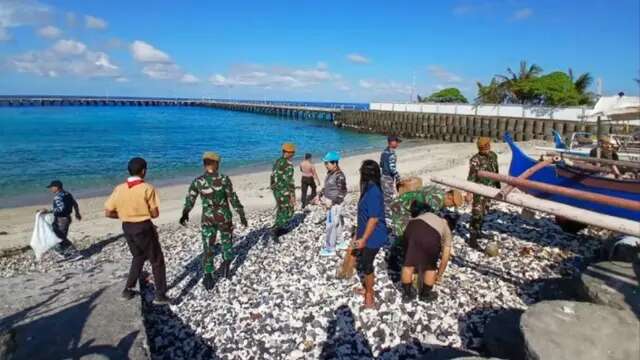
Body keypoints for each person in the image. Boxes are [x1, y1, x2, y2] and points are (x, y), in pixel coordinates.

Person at [104, 157, 169, 304]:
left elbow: (108, 212)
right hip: (143, 226)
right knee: (157, 260)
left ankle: (128, 289)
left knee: (138, 256)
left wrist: (123, 214)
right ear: (144, 171)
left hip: (127, 226)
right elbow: (155, 214)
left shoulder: (119, 188)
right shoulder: (147, 188)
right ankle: (160, 294)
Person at [179, 152, 247, 286]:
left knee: (208, 246)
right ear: (216, 164)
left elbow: (190, 199)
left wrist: (185, 213)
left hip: (208, 219)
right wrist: (241, 214)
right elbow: (232, 198)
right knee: (227, 242)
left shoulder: (198, 181)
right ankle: (227, 264)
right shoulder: (224, 179)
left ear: (205, 164)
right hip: (224, 217)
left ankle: (208, 274)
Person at [400, 201, 452, 303]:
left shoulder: (423, 216)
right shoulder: (446, 229)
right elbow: (445, 258)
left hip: (411, 227)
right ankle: (425, 295)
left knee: (408, 264)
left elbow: (407, 244)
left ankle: (407, 294)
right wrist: (439, 275)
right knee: (430, 267)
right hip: (430, 234)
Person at [354, 159, 389, 309]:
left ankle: (369, 293)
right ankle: (367, 288)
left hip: (373, 236)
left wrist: (363, 239)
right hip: (367, 234)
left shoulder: (373, 191)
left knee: (367, 265)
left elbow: (374, 219)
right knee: (363, 262)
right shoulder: (369, 187)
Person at [466, 137, 500, 249]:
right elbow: (471, 177)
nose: (485, 149)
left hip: (490, 190)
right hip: (478, 190)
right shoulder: (475, 160)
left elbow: (496, 171)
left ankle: (479, 231)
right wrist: (469, 192)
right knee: (477, 214)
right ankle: (472, 238)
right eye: (482, 148)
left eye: (486, 147)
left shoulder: (493, 156)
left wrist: (498, 187)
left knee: (485, 212)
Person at [40, 180, 82, 261]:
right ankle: (65, 253)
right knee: (58, 236)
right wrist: (77, 213)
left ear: (56, 187)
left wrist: (48, 211)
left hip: (61, 220)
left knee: (60, 237)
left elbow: (61, 209)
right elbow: (75, 203)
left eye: (51, 187)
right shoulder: (67, 194)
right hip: (67, 218)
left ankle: (75, 253)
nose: (51, 189)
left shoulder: (58, 197)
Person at [318, 151, 348, 257]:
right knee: (338, 222)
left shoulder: (340, 176)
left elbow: (343, 192)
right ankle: (340, 242)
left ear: (334, 163)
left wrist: (332, 202)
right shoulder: (330, 173)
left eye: (327, 163)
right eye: (325, 163)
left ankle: (330, 248)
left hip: (334, 204)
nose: (325, 165)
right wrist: (320, 194)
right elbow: (327, 186)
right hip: (330, 202)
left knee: (330, 225)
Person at [270, 143, 296, 241]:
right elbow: (290, 181)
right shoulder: (288, 165)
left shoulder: (277, 161)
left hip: (276, 190)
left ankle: (279, 227)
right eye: (292, 152)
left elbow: (272, 176)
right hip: (284, 191)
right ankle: (276, 230)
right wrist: (292, 195)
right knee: (289, 211)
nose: (293, 154)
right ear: (288, 152)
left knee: (281, 209)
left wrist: (273, 188)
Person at [380, 135, 401, 223]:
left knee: (385, 195)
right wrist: (397, 176)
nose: (398, 144)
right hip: (388, 177)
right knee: (388, 196)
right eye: (396, 142)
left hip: (383, 176)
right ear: (391, 142)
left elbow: (380, 164)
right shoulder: (392, 154)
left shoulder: (384, 152)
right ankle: (387, 216)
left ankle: (385, 212)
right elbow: (392, 169)